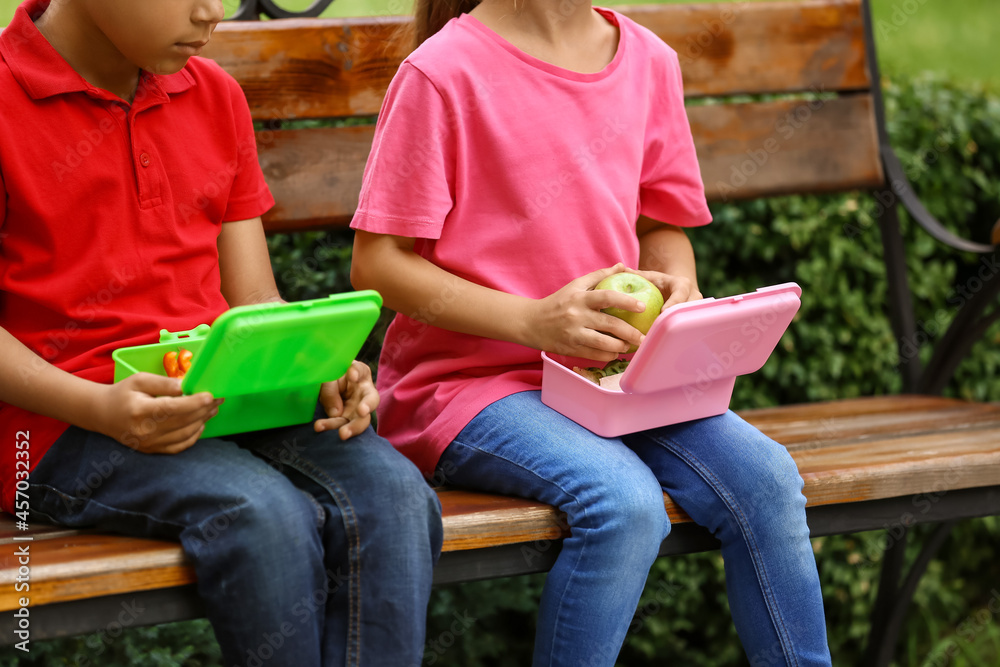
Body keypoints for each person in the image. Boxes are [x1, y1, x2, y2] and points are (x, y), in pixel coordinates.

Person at [349, 0, 833, 664]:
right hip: (468, 388)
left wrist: (676, 288)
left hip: (613, 379)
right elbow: (377, 263)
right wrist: (532, 321)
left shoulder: (648, 61)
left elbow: (662, 224)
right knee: (624, 504)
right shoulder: (442, 73)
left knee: (768, 480)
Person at [0, 1, 442, 665]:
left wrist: (312, 361)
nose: (214, 13)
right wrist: (97, 405)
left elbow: (255, 298)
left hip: (224, 400)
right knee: (259, 513)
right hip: (58, 425)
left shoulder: (213, 96)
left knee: (397, 496)